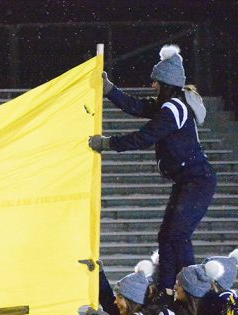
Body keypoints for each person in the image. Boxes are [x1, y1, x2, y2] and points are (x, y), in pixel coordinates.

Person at [90, 45, 216, 297]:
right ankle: (167, 289)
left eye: (156, 82)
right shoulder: (170, 104)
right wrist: (110, 91)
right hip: (188, 180)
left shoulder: (172, 110)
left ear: (168, 83)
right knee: (167, 235)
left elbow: (143, 137)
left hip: (196, 181)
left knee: (177, 236)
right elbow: (136, 107)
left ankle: (193, 291)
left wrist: (107, 143)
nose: (152, 85)